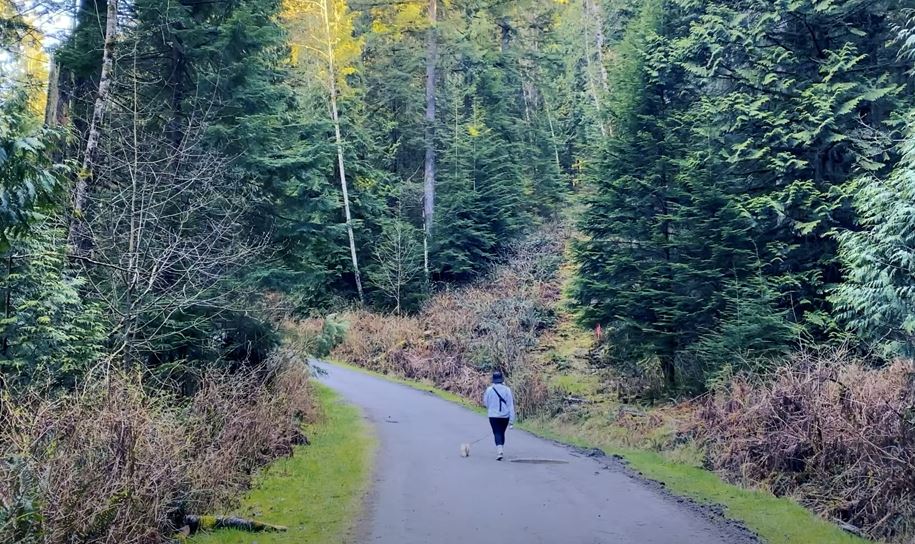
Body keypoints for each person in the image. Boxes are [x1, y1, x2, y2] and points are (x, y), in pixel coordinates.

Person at [483, 370, 516, 460]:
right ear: (502, 379)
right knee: (502, 432)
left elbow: (486, 403)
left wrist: (492, 407)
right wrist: (512, 420)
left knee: (496, 432)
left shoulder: (489, 390)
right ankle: (500, 448)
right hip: (505, 416)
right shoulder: (507, 389)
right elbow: (510, 405)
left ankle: (499, 450)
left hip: (493, 416)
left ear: (493, 379)